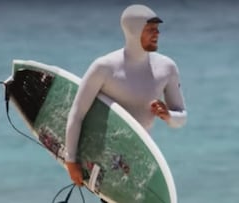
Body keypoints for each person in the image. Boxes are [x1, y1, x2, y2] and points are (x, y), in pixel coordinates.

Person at [65, 4, 187, 188]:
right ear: (134, 31)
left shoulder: (167, 68)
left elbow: (182, 117)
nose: (157, 34)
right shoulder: (104, 67)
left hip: (140, 163)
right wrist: (71, 161)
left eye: (157, 30)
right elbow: (77, 113)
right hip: (107, 162)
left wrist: (169, 116)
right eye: (151, 30)